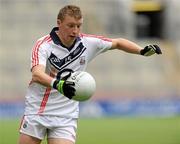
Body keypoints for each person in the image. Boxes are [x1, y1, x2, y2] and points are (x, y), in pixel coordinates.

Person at [18, 4, 162, 144]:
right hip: (38, 110)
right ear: (59, 23)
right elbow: (37, 75)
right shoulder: (43, 45)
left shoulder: (87, 43)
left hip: (66, 116)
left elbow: (117, 43)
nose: (75, 31)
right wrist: (59, 84)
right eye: (71, 25)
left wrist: (141, 51)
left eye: (79, 26)